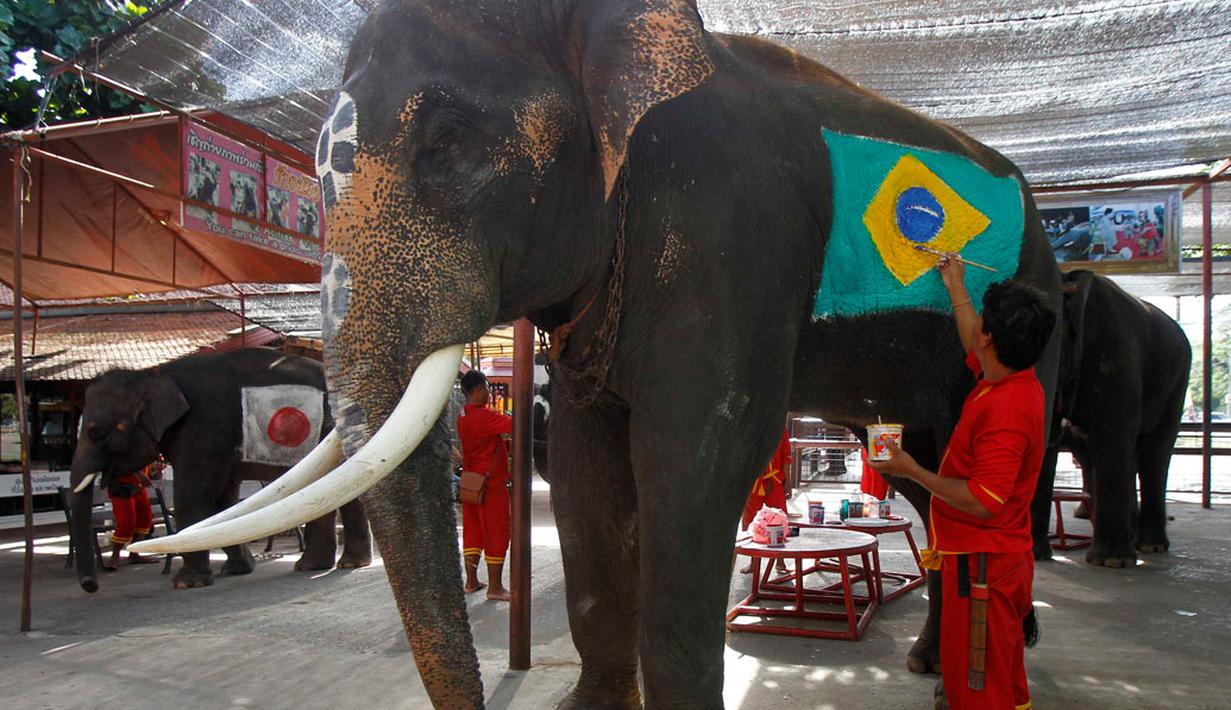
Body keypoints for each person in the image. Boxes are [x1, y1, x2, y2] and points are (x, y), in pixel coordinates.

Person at [870, 254, 1055, 710]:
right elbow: (970, 334)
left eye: (983, 327)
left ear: (990, 339)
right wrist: (957, 285)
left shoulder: (1006, 411)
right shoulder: (1007, 375)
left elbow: (981, 500)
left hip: (983, 568)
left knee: (978, 685)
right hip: (982, 558)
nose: (977, 332)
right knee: (998, 677)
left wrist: (911, 470)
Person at [457, 370, 513, 601]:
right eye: (487, 388)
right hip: (491, 484)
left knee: (473, 531)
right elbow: (513, 424)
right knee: (496, 532)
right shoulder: (483, 416)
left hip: (470, 483)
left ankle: (471, 581)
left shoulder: (462, 416)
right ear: (479, 389)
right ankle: (495, 587)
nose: (489, 394)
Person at [740, 426, 791, 575]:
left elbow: (786, 454)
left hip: (775, 480)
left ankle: (780, 561)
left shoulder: (781, 426)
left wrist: (787, 481)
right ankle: (753, 562)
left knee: (779, 519)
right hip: (754, 480)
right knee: (749, 519)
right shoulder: (751, 425)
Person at [103, 459, 161, 570]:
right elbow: (119, 458)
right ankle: (115, 556)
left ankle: (134, 553)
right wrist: (138, 473)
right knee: (126, 522)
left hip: (138, 486)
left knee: (145, 520)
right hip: (121, 485)